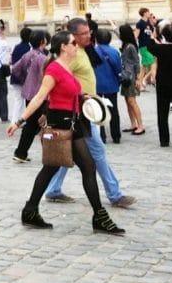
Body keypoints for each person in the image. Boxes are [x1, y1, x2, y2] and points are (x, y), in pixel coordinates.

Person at [7, 32, 126, 235]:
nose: (76, 45)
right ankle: (99, 216)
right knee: (86, 167)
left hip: (73, 121)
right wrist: (19, 121)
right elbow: (39, 98)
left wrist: (83, 96)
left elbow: (67, 92)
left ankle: (30, 210)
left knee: (52, 168)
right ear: (63, 46)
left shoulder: (65, 67)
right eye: (73, 43)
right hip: (61, 124)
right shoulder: (53, 69)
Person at [11, 29, 51, 163]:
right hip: (41, 95)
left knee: (32, 124)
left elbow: (15, 69)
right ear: (42, 42)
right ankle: (22, 152)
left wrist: (25, 79)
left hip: (29, 93)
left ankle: (21, 152)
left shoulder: (27, 55)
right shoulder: (44, 58)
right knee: (38, 124)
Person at [93, 28, 123, 144]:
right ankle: (116, 135)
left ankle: (101, 135)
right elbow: (118, 69)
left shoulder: (93, 52)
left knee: (98, 109)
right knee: (113, 110)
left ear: (96, 39)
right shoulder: (114, 52)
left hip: (97, 85)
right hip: (111, 84)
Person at [117, 24, 145, 135]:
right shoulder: (126, 45)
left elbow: (137, 62)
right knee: (127, 101)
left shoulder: (131, 47)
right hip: (125, 76)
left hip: (131, 76)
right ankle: (133, 124)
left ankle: (140, 125)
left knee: (132, 101)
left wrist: (138, 79)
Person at [8, 27, 33, 124]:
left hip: (16, 76)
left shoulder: (17, 47)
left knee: (18, 99)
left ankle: (15, 120)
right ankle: (25, 119)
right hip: (26, 78)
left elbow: (12, 61)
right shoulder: (30, 49)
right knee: (28, 100)